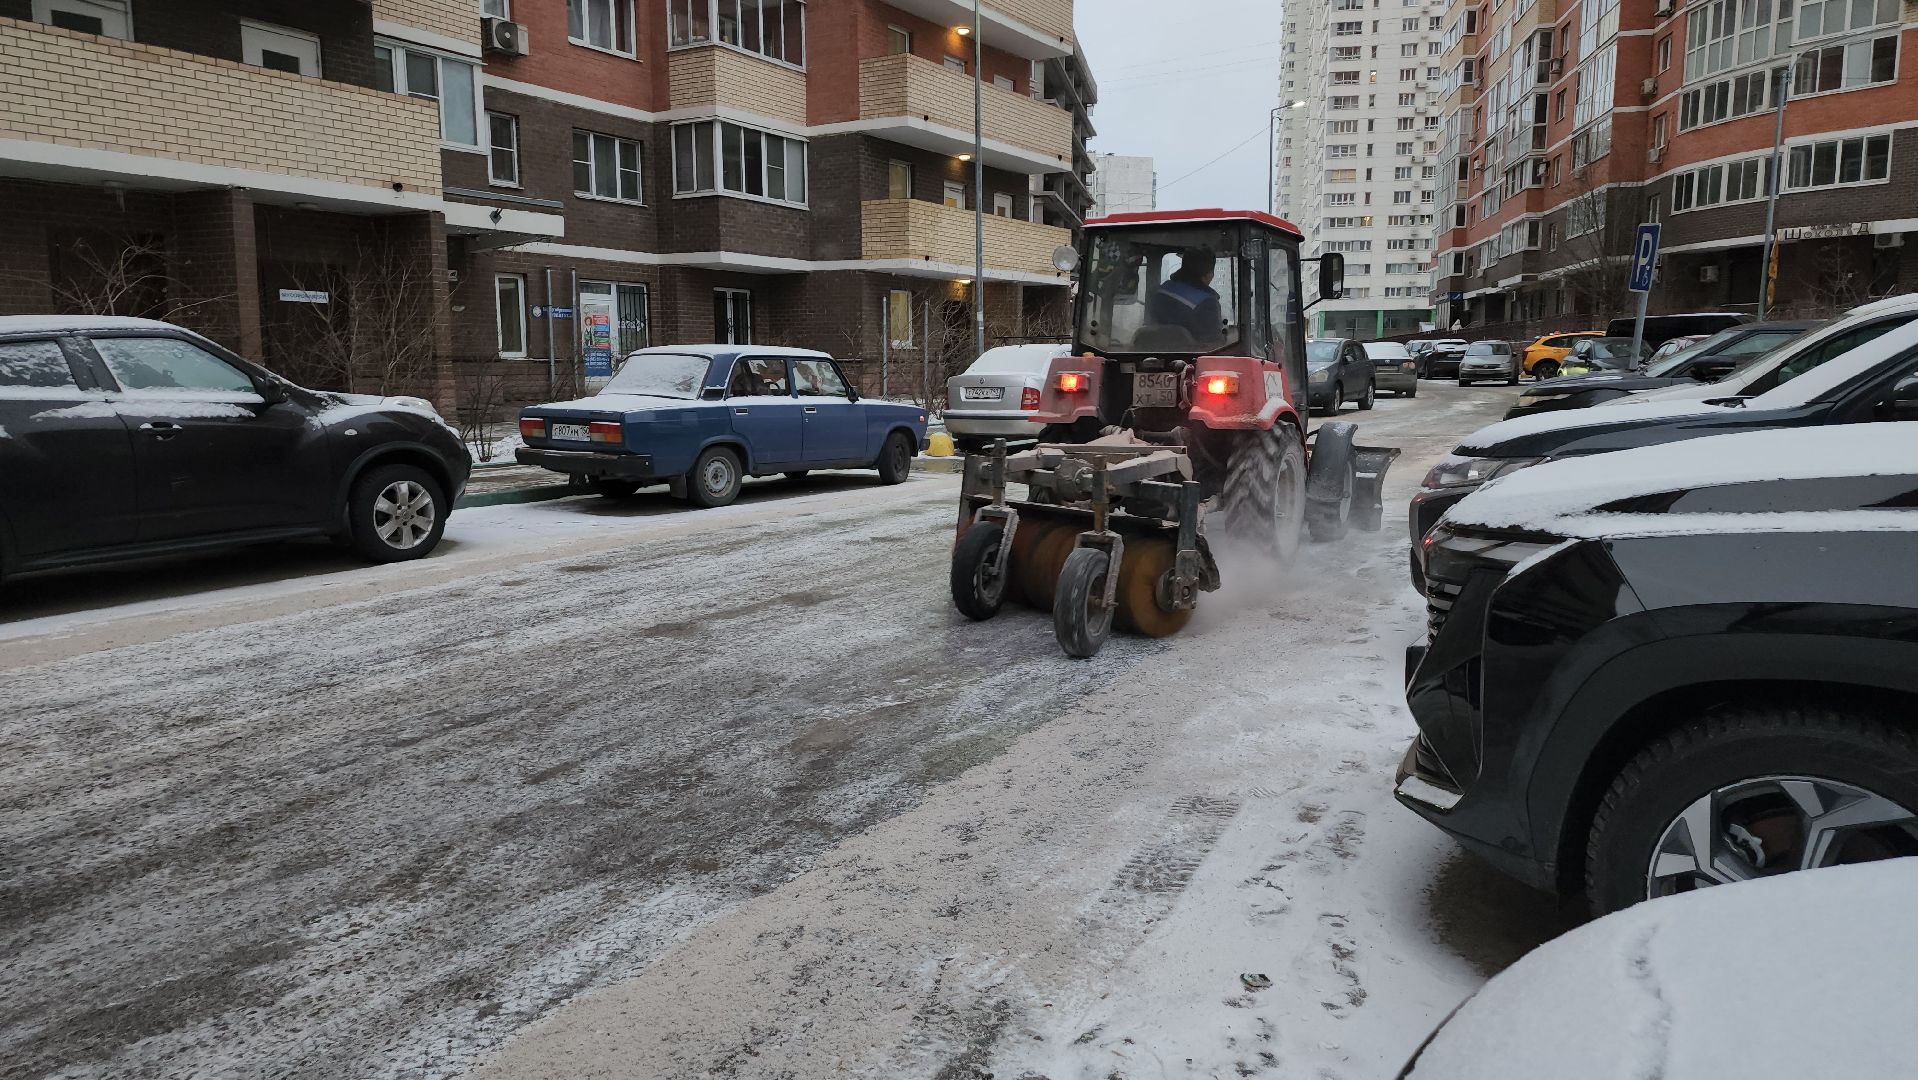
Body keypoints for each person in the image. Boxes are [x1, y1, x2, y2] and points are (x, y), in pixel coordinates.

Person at [1146, 250, 1224, 346]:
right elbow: (1213, 345)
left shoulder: (1161, 290)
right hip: (1188, 358)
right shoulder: (1207, 303)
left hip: (1150, 353)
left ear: (1183, 269)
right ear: (1209, 274)